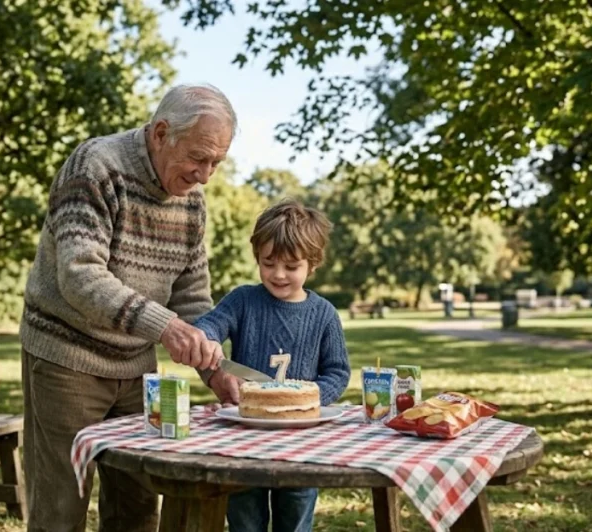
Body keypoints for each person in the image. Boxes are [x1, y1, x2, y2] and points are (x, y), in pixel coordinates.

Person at [19, 83, 236, 532]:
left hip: (136, 368)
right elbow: (80, 276)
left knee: (136, 510)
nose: (205, 175)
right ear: (161, 133)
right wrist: (165, 327)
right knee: (61, 509)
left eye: (216, 162)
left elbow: (192, 295)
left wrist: (214, 369)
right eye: (198, 158)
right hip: (66, 358)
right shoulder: (95, 166)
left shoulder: (192, 202)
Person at [196, 198, 351, 532]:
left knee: (295, 515)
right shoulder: (242, 300)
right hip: (244, 438)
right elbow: (210, 324)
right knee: (244, 517)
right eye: (269, 263)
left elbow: (338, 372)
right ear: (257, 258)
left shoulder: (324, 314)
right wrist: (206, 339)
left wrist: (305, 399)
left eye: (291, 266)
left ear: (313, 264)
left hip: (302, 442)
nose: (278, 274)